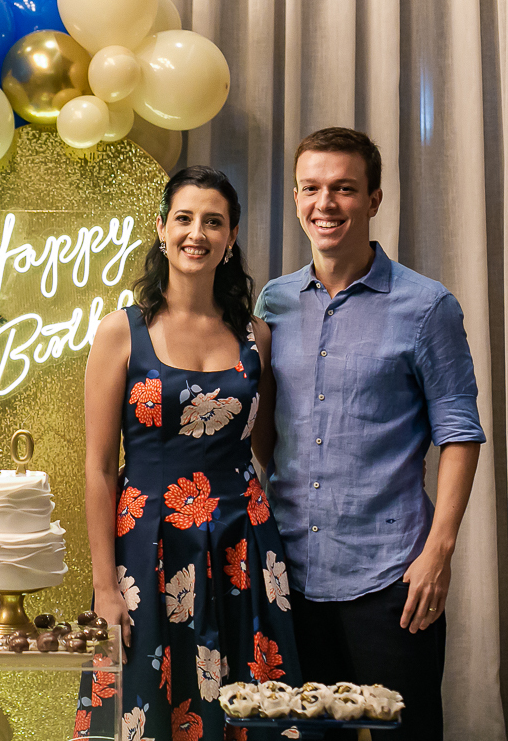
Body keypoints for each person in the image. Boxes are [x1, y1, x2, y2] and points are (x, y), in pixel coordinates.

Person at [255, 127, 485, 740]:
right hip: (291, 575)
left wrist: (438, 552)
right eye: (311, 188)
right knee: (304, 736)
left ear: (375, 199)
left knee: (405, 734)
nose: (324, 204)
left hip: (392, 577)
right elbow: (264, 426)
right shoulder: (275, 304)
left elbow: (460, 433)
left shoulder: (427, 306)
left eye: (344, 189)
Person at [78, 166, 300, 741]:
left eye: (213, 222)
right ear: (161, 229)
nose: (196, 233)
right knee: (144, 705)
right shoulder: (120, 332)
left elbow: (267, 446)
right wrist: (104, 588)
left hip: (243, 546)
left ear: (229, 241)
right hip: (149, 546)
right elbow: (99, 468)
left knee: (247, 710)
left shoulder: (258, 337)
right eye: (184, 218)